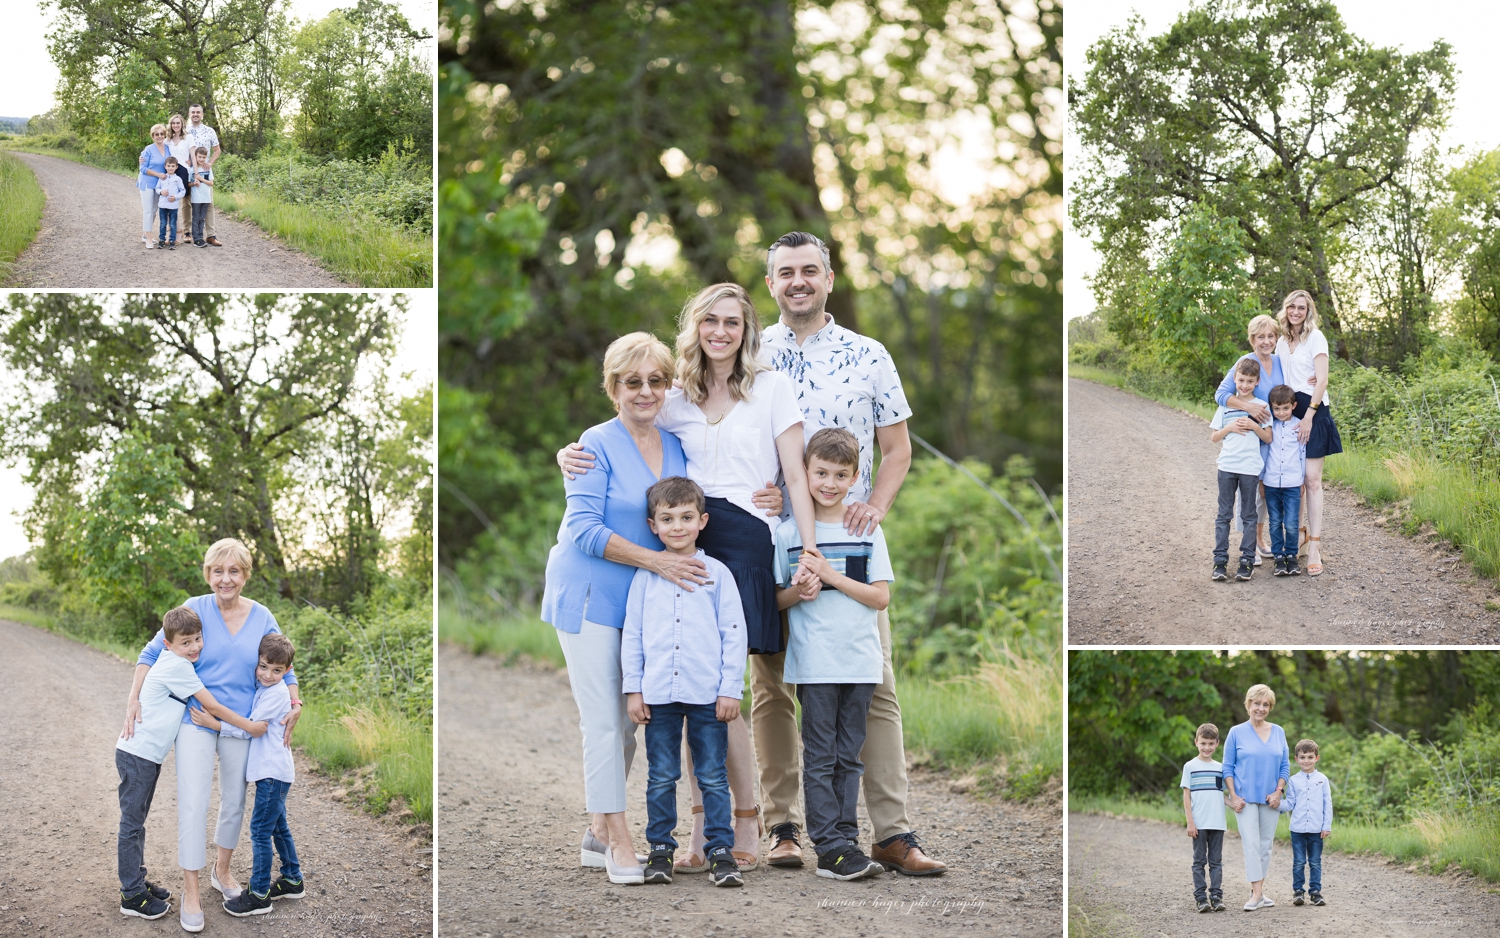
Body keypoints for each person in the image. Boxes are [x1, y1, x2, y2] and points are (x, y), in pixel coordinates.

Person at [122, 538, 304, 925]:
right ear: (208, 574)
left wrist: (295, 702)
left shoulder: (262, 616)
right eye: (218, 571)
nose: (226, 579)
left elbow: (285, 664)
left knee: (234, 801)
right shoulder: (194, 608)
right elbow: (150, 653)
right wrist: (133, 699)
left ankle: (222, 872)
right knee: (193, 802)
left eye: (234, 571)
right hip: (197, 720)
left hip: (240, 724)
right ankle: (191, 890)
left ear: (245, 575)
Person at [774, 427, 893, 881]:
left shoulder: (866, 531)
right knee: (822, 755)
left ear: (855, 478)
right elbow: (776, 599)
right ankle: (829, 846)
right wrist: (800, 591)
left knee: (850, 756)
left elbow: (880, 598)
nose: (829, 483)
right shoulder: (789, 533)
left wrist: (831, 576)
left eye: (840, 475)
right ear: (804, 472)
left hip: (860, 662)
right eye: (821, 472)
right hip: (815, 664)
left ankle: (846, 840)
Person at [623, 476, 748, 888]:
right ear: (653, 525)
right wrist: (634, 689)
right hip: (658, 694)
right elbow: (633, 635)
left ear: (702, 521)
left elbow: (734, 632)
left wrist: (730, 688)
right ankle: (660, 849)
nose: (677, 526)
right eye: (667, 518)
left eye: (686, 517)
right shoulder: (646, 577)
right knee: (661, 775)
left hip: (707, 693)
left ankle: (720, 851)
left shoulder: (717, 574)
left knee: (712, 775)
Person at [115, 606, 267, 931]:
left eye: (198, 639)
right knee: (132, 823)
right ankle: (131, 894)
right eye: (186, 643)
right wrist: (249, 726)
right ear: (168, 644)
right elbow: (211, 704)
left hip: (147, 755)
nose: (195, 647)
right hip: (138, 754)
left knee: (137, 821)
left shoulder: (177, 661)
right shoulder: (178, 666)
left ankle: (137, 882)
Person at [206, 633, 305, 916]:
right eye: (263, 667)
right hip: (274, 772)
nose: (268, 675)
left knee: (260, 831)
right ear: (257, 663)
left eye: (276, 670)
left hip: (272, 773)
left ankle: (259, 893)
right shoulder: (266, 687)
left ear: (287, 671)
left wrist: (216, 725)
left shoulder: (275, 694)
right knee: (278, 827)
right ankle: (292, 879)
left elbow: (253, 729)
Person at [1276, 290, 1342, 576]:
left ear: (1308, 311)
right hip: (1290, 414)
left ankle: (1314, 546)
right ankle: (1299, 536)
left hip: (1313, 413)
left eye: (1301, 307)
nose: (1296, 311)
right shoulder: (1281, 341)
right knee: (1295, 482)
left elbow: (1322, 379)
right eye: (1292, 306)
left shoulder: (1315, 337)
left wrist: (1309, 417)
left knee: (1312, 480)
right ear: (1286, 309)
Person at [1215, 315, 1285, 564]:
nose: (1266, 341)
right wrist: (1250, 408)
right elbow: (1221, 394)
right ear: (1252, 339)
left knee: (1264, 488)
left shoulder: (1280, 361)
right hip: (1250, 438)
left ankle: (1259, 539)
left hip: (1273, 435)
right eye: (1260, 337)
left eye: (1270, 336)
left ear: (1276, 338)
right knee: (1250, 490)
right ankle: (1249, 545)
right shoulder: (1245, 362)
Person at [1222, 684, 1291, 911]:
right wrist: (1233, 796)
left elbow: (1285, 767)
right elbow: (1227, 767)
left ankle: (1257, 892)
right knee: (1251, 843)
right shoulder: (1236, 732)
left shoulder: (1279, 732)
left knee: (1265, 845)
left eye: (1266, 704)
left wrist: (1278, 791)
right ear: (1248, 704)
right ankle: (1258, 894)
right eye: (1257, 703)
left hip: (1271, 799)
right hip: (1244, 798)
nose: (1261, 708)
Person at [1209, 358, 1273, 582]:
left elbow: (1268, 438)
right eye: (1241, 380)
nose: (1245, 385)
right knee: (1223, 514)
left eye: (1250, 381)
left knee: (1249, 515)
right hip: (1227, 466)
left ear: (1257, 382)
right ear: (1234, 379)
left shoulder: (1262, 406)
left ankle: (1247, 560)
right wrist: (1229, 427)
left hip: (1249, 468)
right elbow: (1214, 437)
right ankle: (1220, 561)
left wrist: (1254, 425)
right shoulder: (1226, 406)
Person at [1180, 723, 1228, 913]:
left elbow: (1219, 794)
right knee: (1199, 861)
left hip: (1217, 822)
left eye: (1210, 743)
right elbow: (1187, 796)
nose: (1207, 747)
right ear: (1196, 742)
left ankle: (1216, 896)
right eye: (1203, 743)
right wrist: (1190, 822)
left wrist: (1235, 803)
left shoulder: (1220, 768)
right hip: (1199, 823)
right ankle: (1201, 898)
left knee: (1216, 861)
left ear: (1217, 743)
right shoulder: (1190, 766)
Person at [1281, 739, 1332, 907]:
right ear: (1296, 759)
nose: (1306, 761)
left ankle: (1315, 892)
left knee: (1315, 861)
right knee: (1299, 861)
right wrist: (1275, 803)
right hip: (1298, 829)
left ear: (1317, 758)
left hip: (1317, 829)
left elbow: (1327, 804)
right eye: (1302, 757)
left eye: (1310, 757)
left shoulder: (1322, 779)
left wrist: (1326, 825)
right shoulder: (1293, 780)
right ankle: (1298, 891)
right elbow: (1290, 803)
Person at [1262, 384, 1307, 577]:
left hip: (1293, 483)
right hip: (1271, 482)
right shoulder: (1269, 426)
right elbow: (1264, 454)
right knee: (1275, 521)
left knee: (1291, 523)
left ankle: (1291, 556)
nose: (1281, 412)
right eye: (1277, 408)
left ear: (1293, 406)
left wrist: (1302, 480)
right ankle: (1279, 557)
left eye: (1285, 408)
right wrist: (1261, 480)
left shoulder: (1299, 426)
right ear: (1271, 407)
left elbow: (1302, 454)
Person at [186, 104, 224, 246]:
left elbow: (217, 150)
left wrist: (210, 163)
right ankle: (188, 233)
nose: (195, 114)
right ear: (189, 114)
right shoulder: (185, 131)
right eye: (193, 112)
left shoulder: (209, 131)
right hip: (189, 170)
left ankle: (211, 235)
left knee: (208, 203)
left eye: (198, 112)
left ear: (202, 114)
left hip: (204, 171)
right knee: (186, 203)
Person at [137, 124, 172, 246]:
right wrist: (157, 174)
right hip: (147, 182)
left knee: (153, 210)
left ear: (165, 135)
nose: (159, 136)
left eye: (162, 134)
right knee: (148, 210)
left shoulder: (168, 149)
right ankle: (149, 238)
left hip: (159, 184)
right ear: (153, 136)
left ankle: (144, 234)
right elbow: (142, 168)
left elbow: (172, 163)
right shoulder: (148, 149)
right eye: (157, 134)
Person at [164, 114, 194, 244]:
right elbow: (160, 152)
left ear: (182, 124)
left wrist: (194, 170)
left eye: (178, 123)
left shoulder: (188, 138)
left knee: (186, 202)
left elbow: (193, 156)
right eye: (173, 123)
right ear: (170, 125)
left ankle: (187, 232)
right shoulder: (167, 140)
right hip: (171, 172)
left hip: (184, 171)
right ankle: (174, 231)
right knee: (170, 201)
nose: (175, 125)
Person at [155, 157, 186, 249]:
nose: (170, 168)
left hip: (173, 206)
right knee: (163, 223)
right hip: (163, 205)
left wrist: (175, 197)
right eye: (168, 166)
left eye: (173, 166)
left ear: (176, 167)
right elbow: (157, 188)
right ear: (165, 166)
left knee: (172, 224)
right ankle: (162, 240)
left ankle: (172, 240)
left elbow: (183, 191)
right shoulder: (162, 178)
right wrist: (161, 192)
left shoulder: (178, 179)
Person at [188, 147, 215, 247]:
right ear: (195, 157)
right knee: (196, 218)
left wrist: (201, 179)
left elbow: (211, 183)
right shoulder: (192, 170)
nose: (201, 159)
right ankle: (196, 239)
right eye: (199, 157)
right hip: (196, 198)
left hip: (206, 197)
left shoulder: (207, 169)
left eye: (204, 157)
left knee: (202, 218)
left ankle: (200, 237)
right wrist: (194, 183)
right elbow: (188, 184)